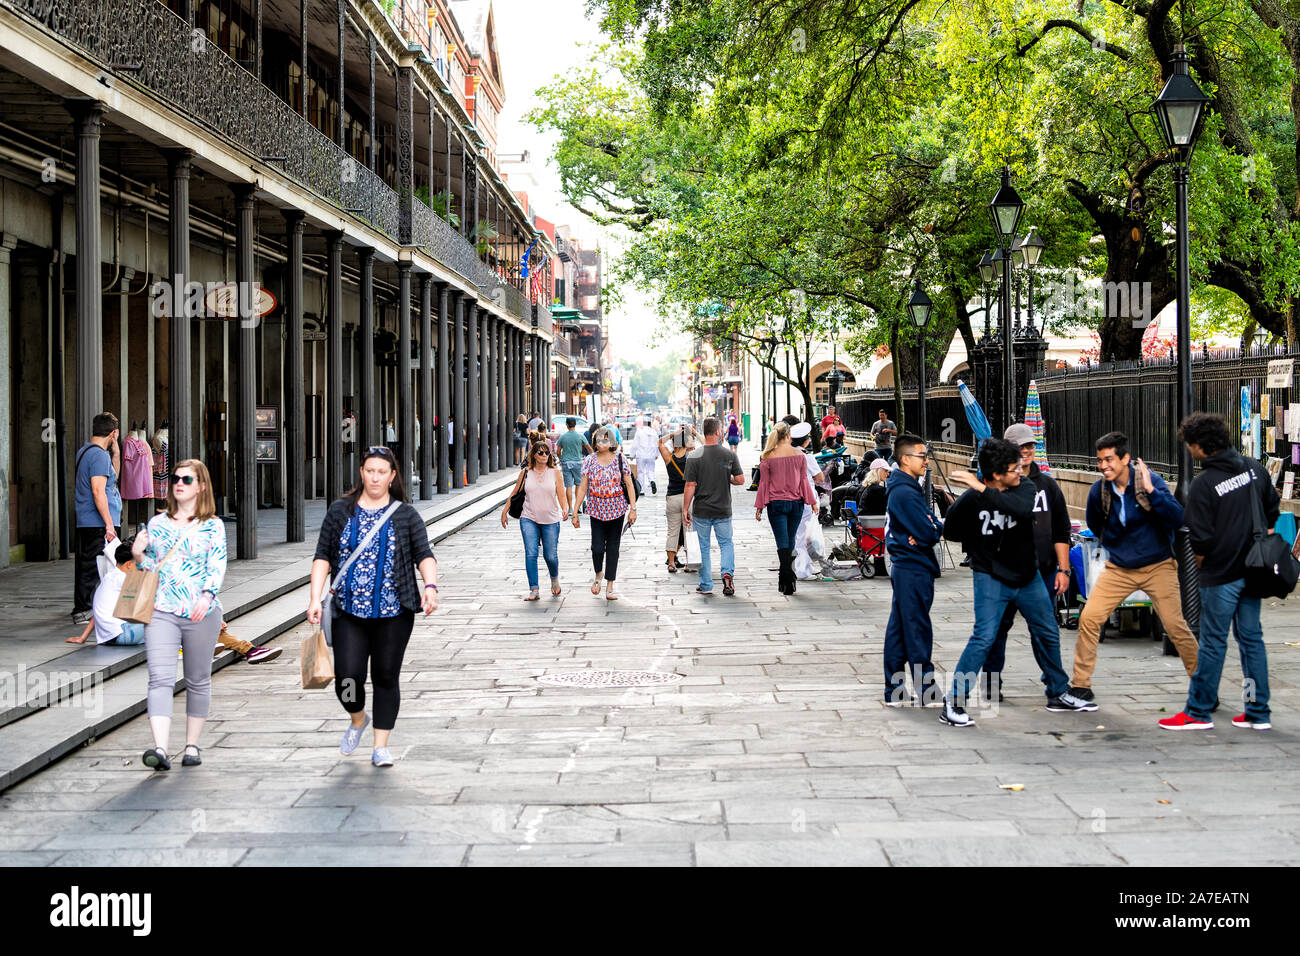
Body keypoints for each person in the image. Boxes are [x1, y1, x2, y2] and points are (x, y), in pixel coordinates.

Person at [940, 439, 1096, 727]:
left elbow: (1022, 509)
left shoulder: (1026, 488)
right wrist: (979, 546)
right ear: (997, 473)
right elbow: (951, 528)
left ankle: (1058, 691)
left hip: (1027, 576)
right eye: (1013, 468)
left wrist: (980, 488)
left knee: (1048, 630)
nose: (1020, 470)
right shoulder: (972, 500)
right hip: (990, 576)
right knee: (984, 636)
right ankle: (954, 701)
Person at [308, 446, 439, 768]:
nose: (375, 477)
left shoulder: (405, 515)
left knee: (385, 676)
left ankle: (380, 745)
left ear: (393, 476)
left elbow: (424, 554)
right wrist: (315, 597)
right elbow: (323, 556)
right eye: (370, 471)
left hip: (395, 612)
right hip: (348, 611)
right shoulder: (341, 511)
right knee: (347, 677)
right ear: (361, 473)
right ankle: (357, 718)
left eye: (382, 472)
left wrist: (431, 587)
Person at [1160, 413, 1278, 731]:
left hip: (1221, 574)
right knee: (1251, 639)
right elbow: (1272, 510)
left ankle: (1198, 711)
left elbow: (1199, 539)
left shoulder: (1204, 485)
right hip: (1254, 570)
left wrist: (1201, 567)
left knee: (1213, 642)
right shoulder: (1255, 469)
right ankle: (1257, 711)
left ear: (1200, 447)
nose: (1189, 451)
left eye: (1190, 445)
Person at [1071, 431, 1199, 701]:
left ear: (1125, 458)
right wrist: (1117, 546)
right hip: (1119, 568)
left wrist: (1154, 494)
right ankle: (1081, 685)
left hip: (1158, 566)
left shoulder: (1149, 482)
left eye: (1109, 460)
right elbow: (1095, 523)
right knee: (1089, 618)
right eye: (1100, 460)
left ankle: (1203, 686)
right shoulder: (1099, 490)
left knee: (1176, 627)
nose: (1103, 466)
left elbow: (1178, 518)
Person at [132, 459, 228, 770]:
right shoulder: (157, 524)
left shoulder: (213, 525)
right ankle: (159, 749)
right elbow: (151, 569)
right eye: (176, 478)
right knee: (159, 678)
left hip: (201, 612)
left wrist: (208, 595)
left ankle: (191, 746)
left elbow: (217, 565)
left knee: (197, 679)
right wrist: (137, 554)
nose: (179, 483)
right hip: (162, 610)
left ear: (201, 486)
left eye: (187, 479)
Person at [982, 423, 1073, 703]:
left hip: (1042, 572)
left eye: (1030, 445)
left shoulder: (1047, 484)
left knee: (1045, 630)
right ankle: (991, 681)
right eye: (1020, 447)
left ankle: (1055, 683)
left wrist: (1064, 569)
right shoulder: (999, 485)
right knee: (996, 630)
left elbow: (1061, 529)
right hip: (1004, 573)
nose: (1026, 451)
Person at [882, 434, 942, 705]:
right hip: (913, 567)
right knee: (916, 628)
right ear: (906, 459)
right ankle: (926, 689)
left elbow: (931, 526)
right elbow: (929, 531)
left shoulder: (905, 487)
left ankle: (893, 690)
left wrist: (930, 527)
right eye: (922, 456)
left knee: (899, 629)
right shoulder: (906, 491)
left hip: (908, 565)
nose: (926, 461)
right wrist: (929, 528)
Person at [573, 427, 637, 600]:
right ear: (594, 442)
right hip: (596, 509)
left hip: (617, 509)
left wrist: (633, 508)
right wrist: (575, 511)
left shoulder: (620, 459)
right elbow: (583, 486)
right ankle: (598, 573)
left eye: (605, 440)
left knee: (613, 548)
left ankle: (609, 585)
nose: (602, 443)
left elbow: (629, 484)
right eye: (599, 440)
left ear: (612, 442)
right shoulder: (589, 460)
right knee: (597, 547)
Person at [685, 417, 745, 596]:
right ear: (718, 432)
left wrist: (685, 508)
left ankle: (706, 585)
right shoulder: (729, 455)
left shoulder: (694, 456)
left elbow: (690, 485)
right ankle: (727, 573)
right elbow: (741, 480)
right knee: (726, 543)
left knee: (703, 546)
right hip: (723, 508)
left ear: (704, 432)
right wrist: (728, 478)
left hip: (702, 509)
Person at [753, 422, 816, 595]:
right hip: (796, 503)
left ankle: (786, 578)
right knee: (790, 541)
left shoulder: (768, 456)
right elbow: (804, 480)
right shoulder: (799, 454)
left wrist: (759, 506)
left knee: (782, 542)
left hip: (776, 503)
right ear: (788, 435)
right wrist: (812, 501)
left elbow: (763, 484)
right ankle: (787, 578)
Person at [72, 412, 122, 625]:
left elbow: (112, 479)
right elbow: (98, 490)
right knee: (92, 567)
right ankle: (83, 610)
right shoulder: (99, 456)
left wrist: (116, 453)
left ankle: (88, 608)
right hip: (97, 522)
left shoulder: (86, 452)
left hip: (90, 520)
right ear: (113, 433)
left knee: (91, 564)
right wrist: (109, 523)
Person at [502, 440, 568, 601]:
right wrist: (504, 512)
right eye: (541, 452)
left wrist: (565, 508)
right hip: (528, 517)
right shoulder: (526, 472)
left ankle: (554, 579)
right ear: (534, 455)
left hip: (551, 519)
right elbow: (515, 492)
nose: (544, 455)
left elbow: (561, 492)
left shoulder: (555, 472)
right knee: (531, 553)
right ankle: (534, 589)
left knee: (550, 555)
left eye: (547, 452)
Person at [65, 543, 144, 646]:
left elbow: (98, 612)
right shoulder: (123, 579)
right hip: (123, 633)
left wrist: (83, 637)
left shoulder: (109, 577)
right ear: (129, 564)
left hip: (109, 637)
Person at [789, 422, 828, 580]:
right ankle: (803, 570)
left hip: (792, 496)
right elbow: (820, 478)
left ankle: (805, 566)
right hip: (808, 497)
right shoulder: (807, 456)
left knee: (799, 534)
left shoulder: (788, 455)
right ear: (805, 441)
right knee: (805, 536)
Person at [660, 424, 697, 572]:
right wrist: (693, 432)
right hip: (688, 498)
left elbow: (659, 442)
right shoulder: (693, 457)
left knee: (672, 531)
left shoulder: (669, 458)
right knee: (689, 531)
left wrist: (673, 434)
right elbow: (705, 445)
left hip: (672, 498)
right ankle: (690, 563)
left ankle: (671, 563)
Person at [556, 417, 591, 515]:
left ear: (567, 425)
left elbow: (558, 451)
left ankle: (570, 509)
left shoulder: (563, 437)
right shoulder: (580, 436)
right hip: (578, 463)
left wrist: (561, 459)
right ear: (575, 425)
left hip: (566, 463)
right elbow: (589, 449)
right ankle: (578, 507)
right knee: (578, 485)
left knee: (568, 486)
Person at [630, 417, 661, 495]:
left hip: (641, 455)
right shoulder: (654, 432)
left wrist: (632, 455)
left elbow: (635, 444)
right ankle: (652, 480)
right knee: (651, 470)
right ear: (650, 423)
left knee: (640, 472)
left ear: (643, 423)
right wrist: (657, 454)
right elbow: (658, 444)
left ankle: (641, 490)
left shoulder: (639, 431)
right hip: (651, 455)